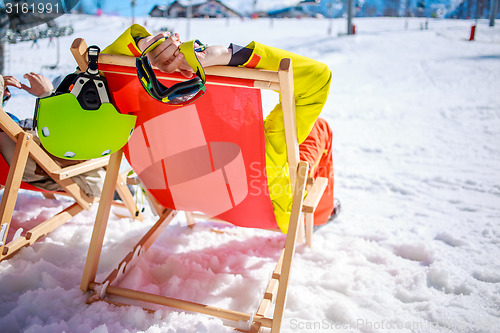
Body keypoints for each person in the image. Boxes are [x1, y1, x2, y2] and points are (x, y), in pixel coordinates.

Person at [104, 25, 340, 233]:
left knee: (315, 130)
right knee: (321, 129)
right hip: (270, 210)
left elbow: (106, 66)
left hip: (175, 195)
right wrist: (229, 56)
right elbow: (318, 77)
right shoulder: (265, 150)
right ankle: (322, 215)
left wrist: (142, 46)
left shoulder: (158, 133)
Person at [0, 73, 105, 197]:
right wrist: (49, 95)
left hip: (25, 160)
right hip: (69, 169)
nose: (8, 94)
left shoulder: (7, 134)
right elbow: (65, 145)